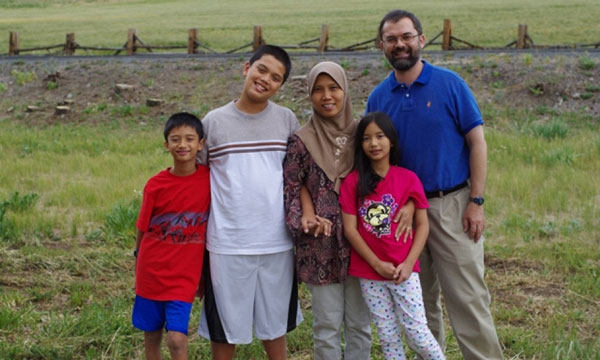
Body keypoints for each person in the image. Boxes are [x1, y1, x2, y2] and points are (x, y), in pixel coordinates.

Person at [365, 9, 503, 360]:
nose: (400, 44)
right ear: (382, 45)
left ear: (421, 40)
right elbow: (378, 160)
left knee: (468, 298)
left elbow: (477, 143)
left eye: (407, 36)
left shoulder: (450, 84)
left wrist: (477, 200)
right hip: (403, 214)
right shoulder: (379, 98)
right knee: (418, 305)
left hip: (452, 204)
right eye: (392, 39)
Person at [196, 44, 303, 360]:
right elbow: (198, 179)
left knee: (275, 325)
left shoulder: (286, 120)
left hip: (276, 242)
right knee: (224, 327)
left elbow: (296, 177)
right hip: (227, 243)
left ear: (280, 86)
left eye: (275, 77)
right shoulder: (213, 122)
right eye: (261, 70)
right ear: (246, 68)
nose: (265, 79)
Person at [282, 61, 372, 360]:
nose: (327, 96)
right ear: (309, 95)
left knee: (360, 325)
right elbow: (292, 187)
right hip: (320, 246)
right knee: (327, 325)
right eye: (318, 90)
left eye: (333, 87)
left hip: (362, 245)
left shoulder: (365, 135)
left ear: (345, 90)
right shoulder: (301, 140)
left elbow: (384, 182)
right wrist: (304, 217)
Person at [339, 112, 445, 360]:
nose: (374, 144)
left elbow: (423, 226)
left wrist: (409, 264)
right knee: (387, 336)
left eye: (380, 136)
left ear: (392, 141)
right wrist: (376, 264)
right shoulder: (353, 182)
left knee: (417, 332)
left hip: (404, 272)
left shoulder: (408, 179)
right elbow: (350, 230)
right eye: (366, 138)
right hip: (370, 273)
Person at [132, 112, 210, 360]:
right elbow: (142, 228)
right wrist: (137, 259)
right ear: (166, 145)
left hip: (184, 277)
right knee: (151, 334)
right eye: (176, 139)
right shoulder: (156, 184)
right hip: (152, 272)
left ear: (201, 144)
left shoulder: (210, 180)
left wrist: (205, 276)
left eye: (189, 139)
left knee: (177, 339)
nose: (183, 145)